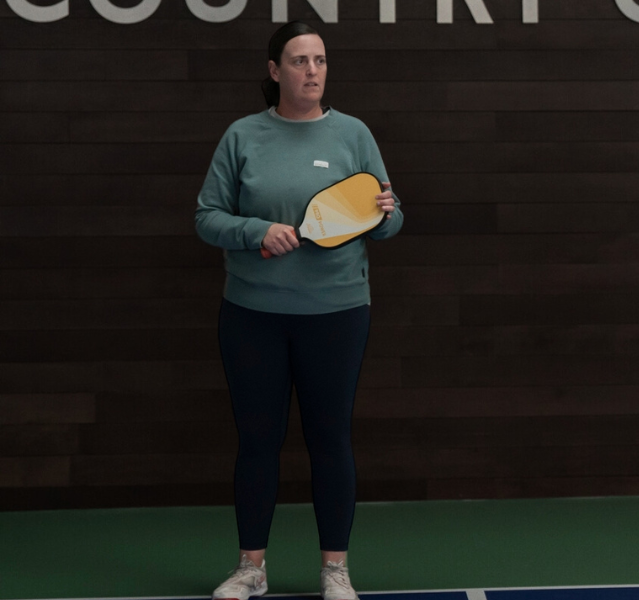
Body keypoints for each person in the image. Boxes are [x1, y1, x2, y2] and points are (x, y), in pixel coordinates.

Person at [194, 21, 403, 600]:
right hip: (252, 315)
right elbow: (207, 216)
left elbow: (388, 219)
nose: (312, 70)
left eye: (320, 60)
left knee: (330, 438)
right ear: (274, 71)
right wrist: (257, 230)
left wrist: (387, 212)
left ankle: (335, 570)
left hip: (337, 314)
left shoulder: (354, 135)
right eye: (299, 60)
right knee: (258, 440)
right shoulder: (242, 136)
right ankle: (250, 569)